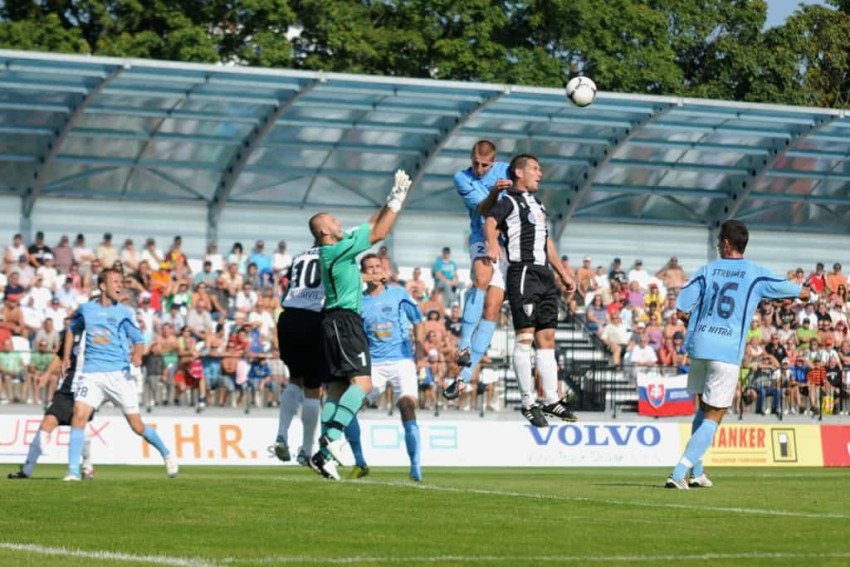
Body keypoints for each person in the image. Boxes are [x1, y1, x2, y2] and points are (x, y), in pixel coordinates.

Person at [665, 220, 809, 490]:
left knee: (705, 408)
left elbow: (682, 309)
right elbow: (796, 290)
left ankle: (696, 472)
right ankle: (678, 472)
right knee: (716, 413)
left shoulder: (707, 271)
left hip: (699, 346)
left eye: (719, 239)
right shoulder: (755, 273)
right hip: (726, 349)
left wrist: (697, 323)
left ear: (727, 243)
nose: (717, 243)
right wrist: (807, 290)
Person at [307, 169, 411, 480]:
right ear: (325, 230)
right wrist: (399, 199)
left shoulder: (335, 249)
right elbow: (378, 234)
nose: (340, 224)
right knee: (362, 386)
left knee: (337, 392)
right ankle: (332, 437)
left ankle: (323, 456)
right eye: (335, 222)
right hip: (345, 323)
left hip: (333, 324)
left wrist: (389, 198)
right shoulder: (335, 250)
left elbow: (369, 225)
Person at [482, 154, 577, 427]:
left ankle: (551, 400)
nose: (540, 173)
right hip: (522, 272)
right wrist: (491, 244)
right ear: (519, 172)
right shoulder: (508, 201)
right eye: (535, 168)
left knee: (547, 340)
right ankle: (528, 401)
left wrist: (563, 272)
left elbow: (547, 243)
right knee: (525, 338)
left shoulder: (538, 204)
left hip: (544, 274)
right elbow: (490, 222)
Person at [62, 268, 178, 481]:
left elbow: (139, 340)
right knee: (78, 416)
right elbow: (72, 328)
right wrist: (66, 356)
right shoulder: (86, 310)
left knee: (137, 426)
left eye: (121, 282)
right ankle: (72, 472)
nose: (119, 286)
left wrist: (138, 355)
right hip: (92, 374)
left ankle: (167, 454)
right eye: (115, 282)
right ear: (103, 286)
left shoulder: (124, 312)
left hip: (118, 374)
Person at [443, 140, 511, 401]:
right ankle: (463, 348)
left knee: (493, 308)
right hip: (481, 237)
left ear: (493, 162)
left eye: (485, 165)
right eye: (476, 164)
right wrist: (496, 191)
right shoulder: (462, 177)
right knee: (481, 277)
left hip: (508, 244)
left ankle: (462, 378)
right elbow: (484, 208)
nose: (480, 169)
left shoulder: (506, 169)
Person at [358, 253, 424, 481]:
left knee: (406, 405)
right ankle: (357, 459)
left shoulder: (398, 293)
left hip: (401, 359)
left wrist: (420, 349)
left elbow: (418, 320)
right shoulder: (358, 301)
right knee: (352, 405)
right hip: (373, 363)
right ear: (363, 273)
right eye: (370, 268)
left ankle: (415, 464)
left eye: (378, 266)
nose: (375, 271)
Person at [8, 326, 95, 479]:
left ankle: (87, 467)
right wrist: (47, 374)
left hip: (89, 386)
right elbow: (59, 355)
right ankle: (26, 470)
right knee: (47, 424)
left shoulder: (101, 334)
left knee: (82, 429)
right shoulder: (73, 333)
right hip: (67, 387)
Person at [273, 242, 325, 466]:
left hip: (289, 317)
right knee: (313, 389)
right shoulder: (332, 255)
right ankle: (306, 450)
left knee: (294, 378)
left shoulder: (298, 257)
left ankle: (281, 434)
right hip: (314, 318)